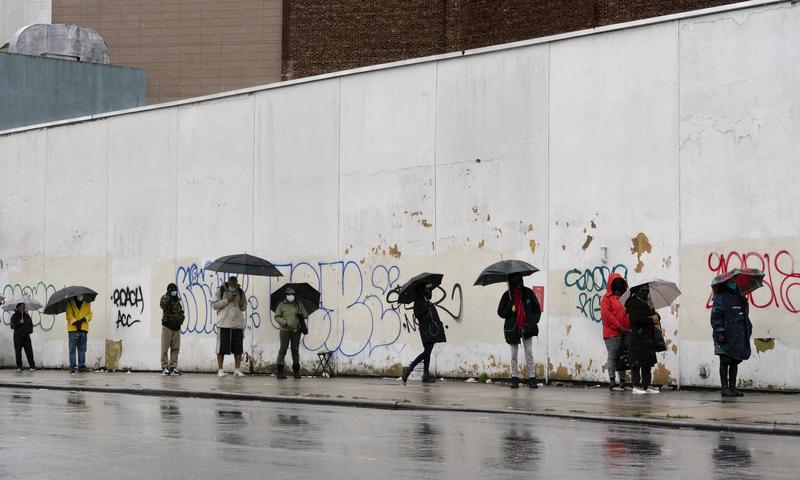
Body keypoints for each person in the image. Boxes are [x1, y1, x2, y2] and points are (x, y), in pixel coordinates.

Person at [497, 275, 541, 389]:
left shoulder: (528, 293)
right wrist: (509, 307)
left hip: (527, 328)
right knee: (513, 354)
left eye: (519, 282)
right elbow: (501, 312)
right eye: (515, 283)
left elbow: (537, 309)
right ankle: (515, 378)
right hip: (513, 329)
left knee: (529, 353)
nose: (517, 286)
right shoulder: (507, 295)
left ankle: (531, 378)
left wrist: (532, 322)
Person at [711, 279, 752, 397]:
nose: (735, 283)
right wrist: (720, 332)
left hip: (736, 336)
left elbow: (743, 314)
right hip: (724, 336)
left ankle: (732, 387)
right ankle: (724, 388)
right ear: (726, 283)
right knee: (724, 361)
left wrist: (745, 304)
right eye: (733, 281)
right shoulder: (721, 297)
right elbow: (716, 316)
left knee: (734, 361)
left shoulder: (738, 295)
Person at [401, 283, 447, 384]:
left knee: (428, 351)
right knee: (426, 352)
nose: (428, 292)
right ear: (421, 290)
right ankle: (409, 369)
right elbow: (418, 315)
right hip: (426, 330)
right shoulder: (418, 302)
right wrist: (426, 306)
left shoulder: (426, 300)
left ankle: (425, 374)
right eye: (426, 290)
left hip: (431, 329)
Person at [624, 284, 660, 394]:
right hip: (637, 337)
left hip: (648, 337)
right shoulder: (632, 302)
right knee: (636, 363)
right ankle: (636, 385)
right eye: (643, 290)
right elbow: (635, 319)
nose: (645, 292)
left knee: (647, 363)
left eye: (647, 290)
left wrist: (657, 317)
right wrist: (650, 320)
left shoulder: (649, 302)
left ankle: (647, 385)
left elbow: (655, 315)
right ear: (638, 291)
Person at [211, 276, 247, 377]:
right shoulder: (221, 290)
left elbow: (244, 308)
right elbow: (214, 305)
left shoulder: (241, 292)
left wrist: (241, 304)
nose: (233, 286)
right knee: (221, 348)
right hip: (224, 324)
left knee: (238, 348)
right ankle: (220, 370)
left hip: (237, 324)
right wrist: (227, 300)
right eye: (232, 284)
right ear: (228, 283)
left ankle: (237, 369)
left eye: (235, 284)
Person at [600, 273, 630, 391]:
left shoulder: (625, 298)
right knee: (613, 356)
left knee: (622, 356)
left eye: (620, 281)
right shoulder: (606, 299)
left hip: (625, 332)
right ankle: (612, 381)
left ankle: (622, 382)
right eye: (616, 281)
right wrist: (618, 327)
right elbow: (607, 315)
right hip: (612, 333)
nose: (618, 284)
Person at [273, 286, 309, 379]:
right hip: (285, 330)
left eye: (293, 294)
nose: (291, 296)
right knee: (283, 349)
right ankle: (280, 370)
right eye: (289, 294)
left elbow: (305, 315)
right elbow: (276, 316)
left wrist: (301, 313)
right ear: (286, 295)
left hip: (296, 330)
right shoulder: (281, 305)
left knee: (295, 349)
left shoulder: (298, 304)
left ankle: (296, 371)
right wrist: (284, 322)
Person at [160, 283, 185, 376]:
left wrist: (181, 319)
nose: (175, 292)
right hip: (167, 327)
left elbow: (180, 311)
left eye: (175, 290)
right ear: (169, 291)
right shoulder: (165, 298)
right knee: (165, 348)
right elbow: (162, 304)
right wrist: (169, 296)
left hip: (176, 328)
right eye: (173, 290)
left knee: (175, 349)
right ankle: (164, 367)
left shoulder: (177, 300)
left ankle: (173, 367)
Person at [66, 294, 93, 374]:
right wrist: (75, 322)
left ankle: (81, 366)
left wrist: (84, 319)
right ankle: (72, 367)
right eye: (79, 295)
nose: (81, 296)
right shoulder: (70, 303)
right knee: (72, 349)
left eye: (82, 295)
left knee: (82, 349)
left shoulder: (87, 303)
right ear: (76, 295)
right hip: (73, 329)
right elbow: (68, 315)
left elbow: (90, 314)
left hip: (83, 329)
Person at [10, 303, 36, 371]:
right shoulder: (14, 316)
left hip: (26, 336)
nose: (23, 308)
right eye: (21, 307)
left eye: (24, 307)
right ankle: (19, 366)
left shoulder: (27, 315)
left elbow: (31, 324)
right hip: (18, 336)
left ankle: (32, 366)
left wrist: (30, 330)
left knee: (29, 351)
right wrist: (19, 322)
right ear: (17, 308)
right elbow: (12, 326)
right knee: (18, 352)